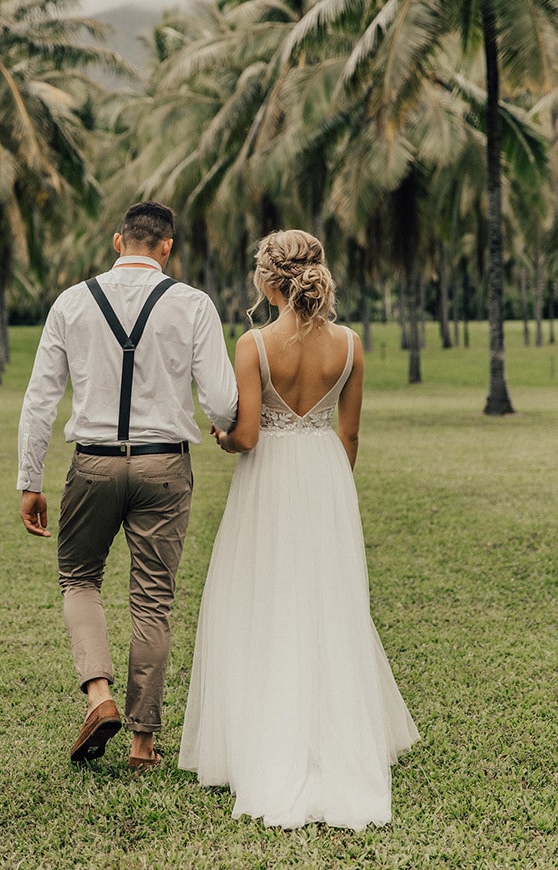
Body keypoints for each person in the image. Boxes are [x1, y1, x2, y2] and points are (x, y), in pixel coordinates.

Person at [179, 229, 418, 829]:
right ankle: (335, 732)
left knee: (263, 598)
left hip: (269, 480)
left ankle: (263, 738)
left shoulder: (254, 344)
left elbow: (248, 436)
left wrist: (222, 437)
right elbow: (351, 433)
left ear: (268, 280)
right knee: (327, 602)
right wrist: (333, 484)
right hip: (326, 476)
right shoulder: (351, 344)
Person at [17, 201, 237, 770]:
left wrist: (29, 479)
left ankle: (100, 695)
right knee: (153, 599)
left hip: (92, 462)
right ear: (167, 247)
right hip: (165, 466)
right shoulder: (192, 304)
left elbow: (41, 398)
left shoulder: (71, 302)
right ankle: (143, 744)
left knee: (79, 576)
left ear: (118, 242)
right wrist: (225, 424)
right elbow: (220, 400)